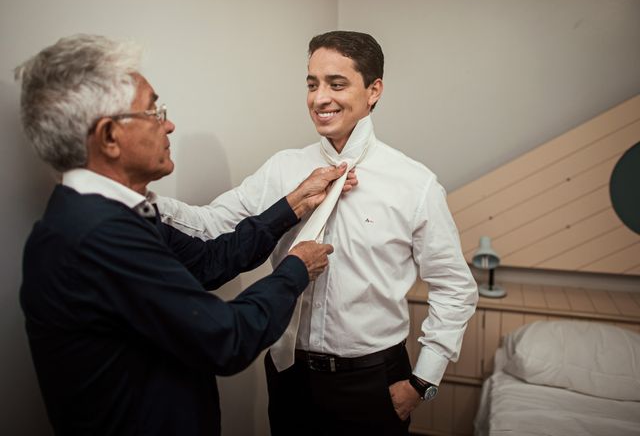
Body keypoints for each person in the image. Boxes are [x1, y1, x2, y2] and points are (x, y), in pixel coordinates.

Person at [16, 34, 352, 436]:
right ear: (109, 137)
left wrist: (292, 206)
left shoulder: (114, 215)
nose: (168, 124)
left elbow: (208, 262)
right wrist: (296, 268)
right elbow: (226, 337)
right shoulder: (97, 237)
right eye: (153, 111)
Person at [157, 30, 479, 435]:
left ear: (373, 90)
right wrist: (141, 205)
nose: (319, 98)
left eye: (336, 84)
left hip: (372, 381)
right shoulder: (283, 169)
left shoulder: (415, 185)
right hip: (289, 375)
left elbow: (454, 287)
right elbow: (210, 224)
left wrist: (423, 381)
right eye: (312, 84)